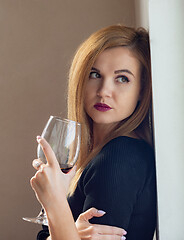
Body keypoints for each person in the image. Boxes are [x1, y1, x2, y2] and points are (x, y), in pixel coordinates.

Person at [30, 24, 157, 240]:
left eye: (122, 78)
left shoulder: (119, 157)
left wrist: (53, 202)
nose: (103, 91)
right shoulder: (96, 152)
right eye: (95, 74)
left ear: (142, 90)